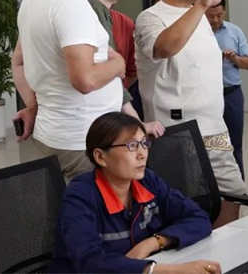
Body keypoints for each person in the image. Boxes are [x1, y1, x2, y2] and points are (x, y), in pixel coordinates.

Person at [135, 0, 247, 226]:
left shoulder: (199, 16)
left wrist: (200, 8)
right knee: (186, 205)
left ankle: (221, 247)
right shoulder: (150, 18)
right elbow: (164, 47)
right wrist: (201, 6)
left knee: (234, 194)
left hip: (214, 128)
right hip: (176, 132)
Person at [12, 0, 127, 183]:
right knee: (94, 208)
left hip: (54, 133)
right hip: (82, 140)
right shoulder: (71, 3)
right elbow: (84, 80)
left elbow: (18, 62)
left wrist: (33, 106)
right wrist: (118, 64)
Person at [51, 112, 218, 274]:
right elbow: (90, 262)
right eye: (132, 146)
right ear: (100, 157)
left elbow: (198, 217)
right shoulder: (80, 196)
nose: (142, 154)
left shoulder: (147, 181)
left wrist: (153, 243)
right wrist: (168, 271)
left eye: (144, 143)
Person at [82, 0, 161, 126]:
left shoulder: (109, 15)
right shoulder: (92, 10)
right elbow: (107, 71)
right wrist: (137, 122)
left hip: (107, 106)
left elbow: (127, 72)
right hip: (95, 111)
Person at [205, 0, 248, 178]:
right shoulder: (197, 33)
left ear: (224, 11)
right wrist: (213, 59)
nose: (215, 20)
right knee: (209, 145)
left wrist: (234, 58)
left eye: (219, 15)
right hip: (206, 96)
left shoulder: (235, 31)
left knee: (235, 143)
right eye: (211, 16)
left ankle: (239, 185)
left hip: (231, 94)